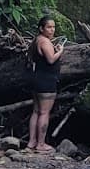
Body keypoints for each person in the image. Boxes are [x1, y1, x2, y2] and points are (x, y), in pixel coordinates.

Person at [27, 15, 63, 154]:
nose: (52, 30)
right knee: (44, 112)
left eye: (53, 27)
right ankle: (40, 144)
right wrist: (60, 51)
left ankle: (31, 142)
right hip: (46, 81)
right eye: (49, 27)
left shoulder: (37, 40)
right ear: (41, 28)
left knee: (36, 111)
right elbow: (51, 59)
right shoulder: (45, 42)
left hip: (36, 79)